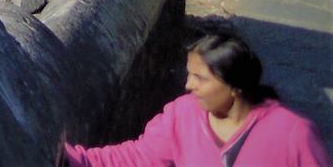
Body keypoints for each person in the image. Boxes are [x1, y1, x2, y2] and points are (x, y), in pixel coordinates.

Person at [62, 30, 330, 166]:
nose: (189, 85)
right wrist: (71, 158)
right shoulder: (183, 114)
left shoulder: (292, 134)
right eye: (190, 74)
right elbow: (138, 157)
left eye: (200, 78)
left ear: (234, 85)